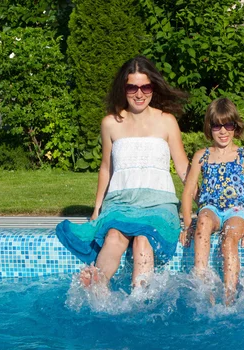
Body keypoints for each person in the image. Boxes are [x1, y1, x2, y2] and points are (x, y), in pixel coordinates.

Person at [56, 55, 190, 290]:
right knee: (113, 236)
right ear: (124, 88)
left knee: (142, 240)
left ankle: (140, 296)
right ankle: (98, 283)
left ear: (153, 87)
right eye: (132, 87)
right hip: (120, 202)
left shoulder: (167, 121)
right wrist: (97, 209)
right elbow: (106, 168)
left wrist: (201, 204)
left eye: (145, 86)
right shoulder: (110, 123)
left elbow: (183, 168)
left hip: (158, 205)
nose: (139, 94)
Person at [180, 97, 244, 305]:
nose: (223, 131)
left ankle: (229, 295)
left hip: (238, 210)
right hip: (211, 208)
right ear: (210, 128)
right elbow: (188, 191)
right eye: (217, 126)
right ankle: (203, 283)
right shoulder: (203, 156)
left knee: (229, 240)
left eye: (228, 125)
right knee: (203, 221)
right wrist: (188, 225)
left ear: (236, 127)